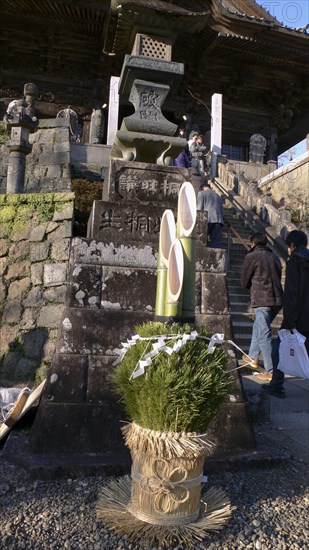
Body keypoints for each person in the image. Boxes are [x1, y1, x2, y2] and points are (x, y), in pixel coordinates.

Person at [264, 230, 309, 398]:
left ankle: (276, 386)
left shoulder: (295, 262)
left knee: (278, 350)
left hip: (298, 319)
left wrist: (289, 321)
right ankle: (276, 384)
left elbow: (292, 294)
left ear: (291, 245)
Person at [241, 233, 283, 378]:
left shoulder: (251, 257)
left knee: (264, 334)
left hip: (263, 300)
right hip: (277, 300)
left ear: (252, 243)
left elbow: (244, 281)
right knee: (258, 327)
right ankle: (253, 356)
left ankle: (271, 372)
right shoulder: (275, 258)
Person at [197, 181, 224, 248]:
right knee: (216, 242)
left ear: (203, 187)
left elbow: (199, 208)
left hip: (207, 219)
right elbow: (222, 212)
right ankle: (215, 257)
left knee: (202, 240)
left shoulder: (201, 193)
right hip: (218, 220)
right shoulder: (218, 196)